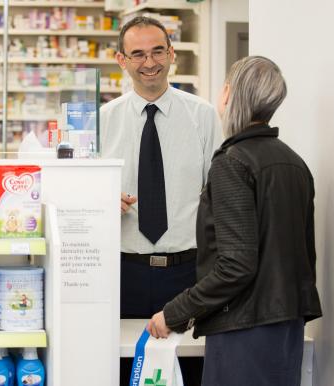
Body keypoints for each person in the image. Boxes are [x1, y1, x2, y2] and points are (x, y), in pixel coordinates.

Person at [146, 56, 323, 386]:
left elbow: (236, 265)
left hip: (245, 330)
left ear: (228, 93)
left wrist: (174, 313)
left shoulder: (233, 164)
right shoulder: (293, 162)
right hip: (286, 327)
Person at [99, 16, 222, 385]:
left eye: (157, 51)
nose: (149, 62)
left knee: (189, 367)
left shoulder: (203, 116)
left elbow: (218, 195)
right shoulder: (102, 121)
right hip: (124, 272)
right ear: (121, 60)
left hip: (187, 272)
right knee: (123, 367)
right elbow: (80, 200)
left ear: (172, 54)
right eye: (137, 54)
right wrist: (101, 200)